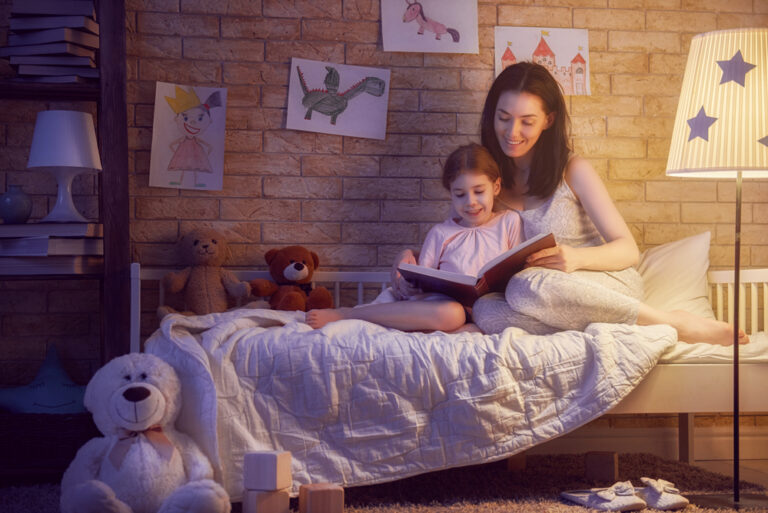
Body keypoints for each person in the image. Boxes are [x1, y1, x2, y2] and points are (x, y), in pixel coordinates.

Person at [390, 62, 746, 346]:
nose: (512, 132)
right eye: (503, 118)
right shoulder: (486, 180)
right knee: (486, 310)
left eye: (527, 121)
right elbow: (455, 235)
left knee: (528, 286)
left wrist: (574, 259)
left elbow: (628, 250)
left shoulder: (573, 170)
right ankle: (584, 324)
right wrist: (409, 258)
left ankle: (672, 322)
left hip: (598, 281)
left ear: (548, 120)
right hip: (529, 297)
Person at [306, 143, 522, 332]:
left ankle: (455, 327)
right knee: (452, 313)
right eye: (460, 194)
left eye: (479, 191)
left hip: (489, 308)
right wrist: (412, 287)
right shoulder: (441, 233)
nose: (471, 202)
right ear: (450, 194)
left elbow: (520, 272)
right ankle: (347, 314)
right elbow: (423, 280)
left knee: (484, 319)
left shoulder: (508, 222)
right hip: (445, 308)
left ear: (496, 187)